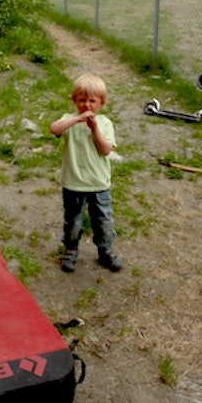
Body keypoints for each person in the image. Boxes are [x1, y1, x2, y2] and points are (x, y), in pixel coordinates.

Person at [50, 73, 124, 273]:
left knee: (103, 220)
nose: (87, 105)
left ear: (101, 103)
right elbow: (54, 129)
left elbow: (105, 150)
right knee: (73, 220)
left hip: (99, 183)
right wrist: (77, 120)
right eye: (82, 100)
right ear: (75, 101)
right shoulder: (69, 121)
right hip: (73, 183)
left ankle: (105, 251)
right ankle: (71, 250)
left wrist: (94, 129)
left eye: (92, 101)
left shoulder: (105, 123)